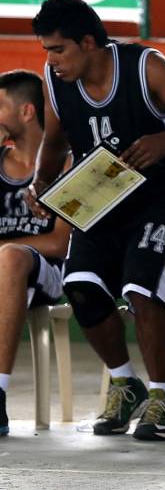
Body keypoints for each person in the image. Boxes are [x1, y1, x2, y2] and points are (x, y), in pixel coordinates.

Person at [29, 0, 165, 441]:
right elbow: (55, 141)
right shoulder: (55, 81)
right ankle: (125, 383)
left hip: (163, 193)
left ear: (89, 42)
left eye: (58, 50)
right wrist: (40, 184)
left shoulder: (145, 66)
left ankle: (161, 396)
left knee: (141, 285)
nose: (52, 60)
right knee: (79, 287)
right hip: (99, 193)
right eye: (47, 52)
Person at [0, 70, 71, 436]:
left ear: (27, 112)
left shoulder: (68, 164)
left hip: (49, 272)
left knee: (11, 257)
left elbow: (60, 242)